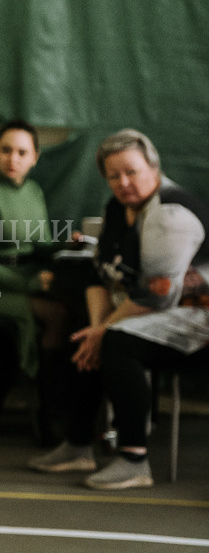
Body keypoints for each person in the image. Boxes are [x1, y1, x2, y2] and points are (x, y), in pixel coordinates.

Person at [30, 129, 209, 489]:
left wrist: (105, 330)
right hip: (153, 310)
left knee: (117, 341)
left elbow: (155, 296)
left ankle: (134, 458)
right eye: (113, 175)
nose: (123, 182)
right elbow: (100, 273)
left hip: (198, 317)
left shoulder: (170, 214)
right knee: (83, 330)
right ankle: (79, 444)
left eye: (132, 171)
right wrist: (96, 326)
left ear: (153, 168)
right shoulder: (117, 208)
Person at [0, 120, 67, 434]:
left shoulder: (34, 191)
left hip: (31, 282)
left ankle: (70, 411)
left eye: (22, 152)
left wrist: (69, 246)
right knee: (58, 316)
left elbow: (42, 245)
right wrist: (30, 285)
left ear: (35, 157)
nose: (13, 159)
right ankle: (50, 418)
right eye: (6, 150)